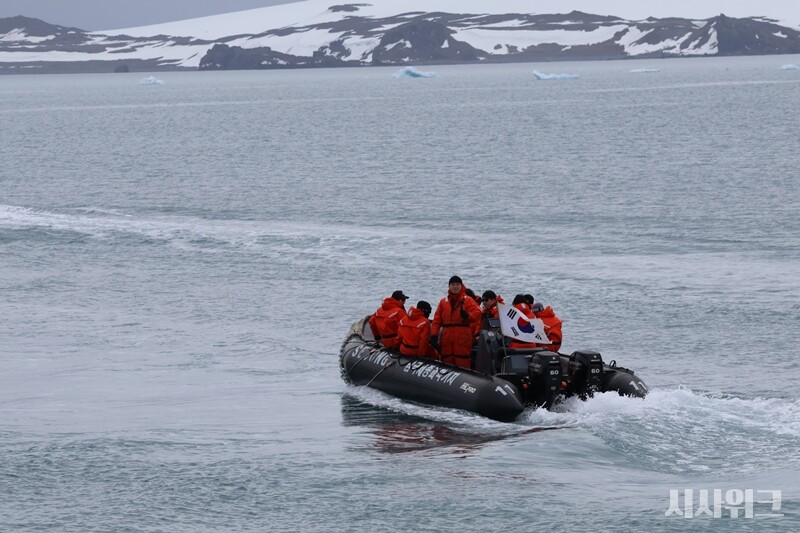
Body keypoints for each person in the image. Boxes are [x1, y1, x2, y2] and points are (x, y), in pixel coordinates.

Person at [431, 276, 482, 368]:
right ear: (449, 286)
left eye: (457, 284)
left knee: (462, 360)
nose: (455, 287)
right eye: (453, 284)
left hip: (462, 336)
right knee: (446, 360)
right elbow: (437, 320)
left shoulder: (468, 300)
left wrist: (467, 316)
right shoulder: (443, 302)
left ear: (461, 286)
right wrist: (434, 335)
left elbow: (477, 314)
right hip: (447, 336)